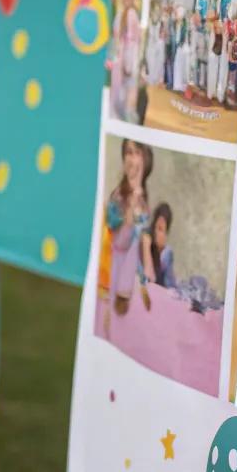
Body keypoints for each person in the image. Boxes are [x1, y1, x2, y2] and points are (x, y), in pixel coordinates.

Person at [103, 139, 153, 332]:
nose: (132, 158)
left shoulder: (143, 202)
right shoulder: (119, 196)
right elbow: (116, 233)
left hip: (130, 270)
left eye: (137, 153)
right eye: (129, 152)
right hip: (115, 261)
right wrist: (129, 211)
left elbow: (137, 245)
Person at [108, 0, 141, 123]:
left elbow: (134, 44)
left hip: (127, 66)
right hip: (118, 64)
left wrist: (130, 67)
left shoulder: (133, 14)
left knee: (127, 108)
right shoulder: (121, 12)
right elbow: (116, 39)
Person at [147, 202, 176, 288]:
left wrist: (160, 252)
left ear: (166, 233)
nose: (156, 233)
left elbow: (170, 286)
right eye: (155, 227)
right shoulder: (146, 241)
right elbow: (146, 278)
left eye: (161, 229)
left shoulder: (167, 253)